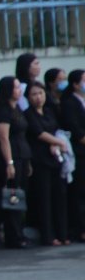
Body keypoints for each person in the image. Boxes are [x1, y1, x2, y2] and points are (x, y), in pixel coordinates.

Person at [0, 76, 32, 249]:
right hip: (11, 155)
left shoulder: (17, 107)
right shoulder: (3, 110)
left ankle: (19, 232)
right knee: (12, 195)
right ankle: (13, 235)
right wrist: (9, 162)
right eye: (16, 88)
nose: (19, 91)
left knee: (21, 194)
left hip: (22, 154)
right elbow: (4, 138)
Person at [25, 82, 70, 247]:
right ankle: (48, 235)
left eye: (41, 93)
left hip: (55, 158)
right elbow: (39, 132)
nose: (38, 98)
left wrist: (56, 143)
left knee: (60, 196)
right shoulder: (28, 114)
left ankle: (63, 233)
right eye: (34, 94)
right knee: (45, 198)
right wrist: (57, 142)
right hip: (40, 159)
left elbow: (55, 129)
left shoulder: (50, 112)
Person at [60, 70, 85, 241]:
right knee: (79, 192)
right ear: (75, 84)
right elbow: (75, 129)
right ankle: (80, 228)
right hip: (79, 152)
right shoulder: (69, 103)